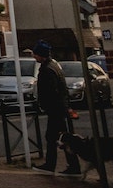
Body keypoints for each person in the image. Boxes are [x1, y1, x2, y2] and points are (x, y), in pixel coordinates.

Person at [31, 41, 81, 176]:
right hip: (59, 107)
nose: (34, 57)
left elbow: (51, 91)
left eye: (35, 54)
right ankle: (69, 165)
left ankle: (55, 165)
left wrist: (45, 105)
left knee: (57, 137)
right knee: (59, 137)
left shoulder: (48, 69)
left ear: (41, 55)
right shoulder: (54, 66)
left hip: (56, 109)